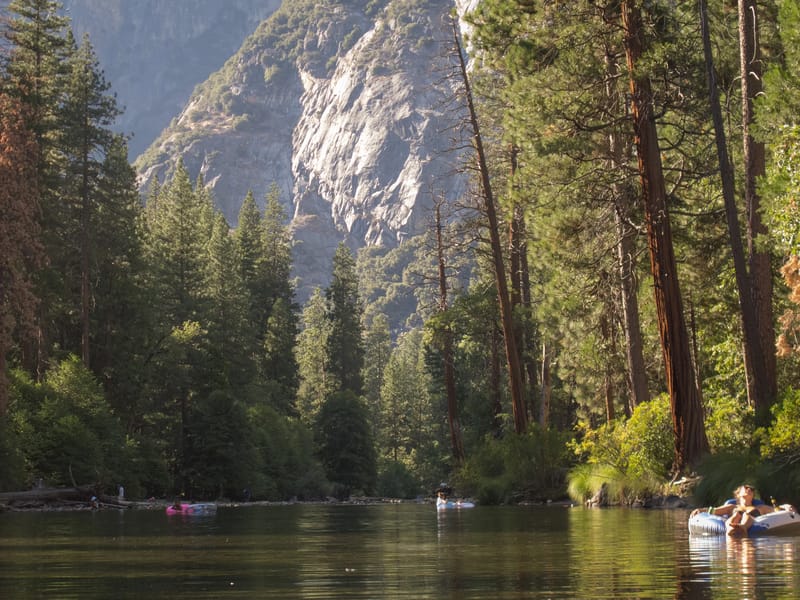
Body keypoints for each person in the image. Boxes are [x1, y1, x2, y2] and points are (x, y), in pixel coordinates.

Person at [692, 484, 773, 536]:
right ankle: (730, 529)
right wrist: (701, 510)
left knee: (746, 514)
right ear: (738, 494)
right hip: (733, 521)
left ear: (753, 495)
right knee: (737, 514)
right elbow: (715, 511)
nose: (749, 490)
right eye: (746, 488)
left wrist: (785, 506)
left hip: (750, 523)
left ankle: (743, 527)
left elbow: (777, 510)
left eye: (751, 490)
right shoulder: (732, 507)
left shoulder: (760, 507)